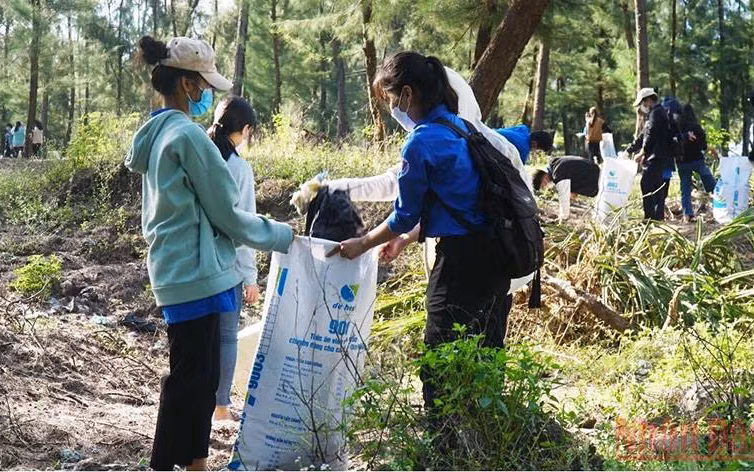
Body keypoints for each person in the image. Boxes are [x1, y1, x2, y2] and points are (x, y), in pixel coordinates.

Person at [126, 35, 293, 471]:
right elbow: (231, 217)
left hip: (174, 268)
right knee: (189, 382)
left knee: (198, 380)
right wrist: (284, 236)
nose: (207, 94)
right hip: (198, 274)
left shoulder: (157, 131)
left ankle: (197, 464)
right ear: (186, 84)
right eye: (203, 85)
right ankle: (164, 466)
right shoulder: (189, 137)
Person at [329, 52, 512, 410]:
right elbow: (459, 203)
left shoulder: (422, 141)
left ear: (408, 94)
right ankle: (486, 441)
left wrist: (363, 243)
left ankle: (442, 449)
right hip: (496, 259)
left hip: (461, 263)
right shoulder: (461, 128)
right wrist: (407, 239)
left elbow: (403, 214)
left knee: (439, 358)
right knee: (485, 352)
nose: (393, 107)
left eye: (393, 98)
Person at [206, 95, 261, 422]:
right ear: (245, 129)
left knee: (198, 337)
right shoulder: (239, 168)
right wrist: (251, 277)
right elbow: (245, 226)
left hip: (194, 264)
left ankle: (199, 401)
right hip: (227, 268)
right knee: (226, 337)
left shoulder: (199, 155)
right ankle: (221, 408)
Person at [633, 88, 671, 220]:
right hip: (658, 156)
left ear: (649, 99)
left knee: (646, 184)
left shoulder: (656, 113)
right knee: (656, 186)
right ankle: (657, 217)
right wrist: (630, 150)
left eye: (643, 103)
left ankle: (650, 218)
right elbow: (644, 135)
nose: (643, 106)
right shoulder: (657, 113)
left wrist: (643, 152)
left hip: (656, 156)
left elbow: (651, 134)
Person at [677, 104, 716, 221]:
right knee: (709, 180)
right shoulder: (696, 127)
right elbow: (703, 146)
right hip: (697, 160)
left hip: (682, 162)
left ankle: (687, 214)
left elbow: (674, 141)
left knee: (685, 189)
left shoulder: (678, 128)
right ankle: (720, 199)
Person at [531, 156, 601, 198]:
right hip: (595, 171)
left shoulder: (558, 174)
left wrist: (563, 217)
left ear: (543, 178)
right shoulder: (556, 164)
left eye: (543, 185)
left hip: (596, 180)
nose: (546, 185)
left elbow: (564, 198)